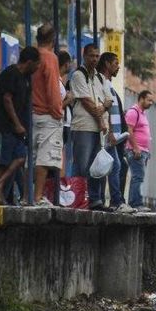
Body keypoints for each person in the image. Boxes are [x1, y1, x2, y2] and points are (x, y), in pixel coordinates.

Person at [0, 47, 40, 205]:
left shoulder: (26, 78)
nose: (37, 68)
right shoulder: (11, 74)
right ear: (29, 62)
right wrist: (17, 123)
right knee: (2, 161)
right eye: (37, 64)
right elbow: (7, 99)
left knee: (20, 157)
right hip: (4, 127)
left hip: (17, 130)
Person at [70, 44, 113, 211]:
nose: (94, 59)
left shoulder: (100, 78)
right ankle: (78, 199)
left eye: (96, 56)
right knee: (82, 165)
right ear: (84, 55)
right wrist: (101, 118)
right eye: (91, 56)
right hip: (83, 127)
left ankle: (96, 200)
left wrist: (101, 109)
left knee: (97, 166)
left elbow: (109, 100)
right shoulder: (78, 76)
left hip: (98, 130)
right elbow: (87, 102)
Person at [31, 24, 63, 206]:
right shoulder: (50, 58)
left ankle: (27, 195)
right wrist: (57, 111)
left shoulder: (32, 55)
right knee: (44, 157)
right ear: (53, 39)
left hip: (32, 112)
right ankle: (37, 197)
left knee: (32, 157)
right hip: (47, 114)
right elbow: (52, 87)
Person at [97, 52, 133, 213]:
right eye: (116, 63)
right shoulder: (102, 84)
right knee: (115, 167)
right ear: (106, 64)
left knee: (115, 166)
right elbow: (106, 109)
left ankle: (112, 201)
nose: (118, 66)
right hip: (109, 135)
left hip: (114, 136)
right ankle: (116, 202)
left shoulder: (109, 85)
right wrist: (110, 131)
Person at [125, 90, 153, 211]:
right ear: (141, 99)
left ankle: (134, 203)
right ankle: (136, 203)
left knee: (138, 177)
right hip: (135, 151)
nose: (151, 103)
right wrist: (136, 147)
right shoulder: (133, 112)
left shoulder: (143, 113)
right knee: (138, 177)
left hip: (143, 151)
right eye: (149, 100)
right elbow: (129, 131)